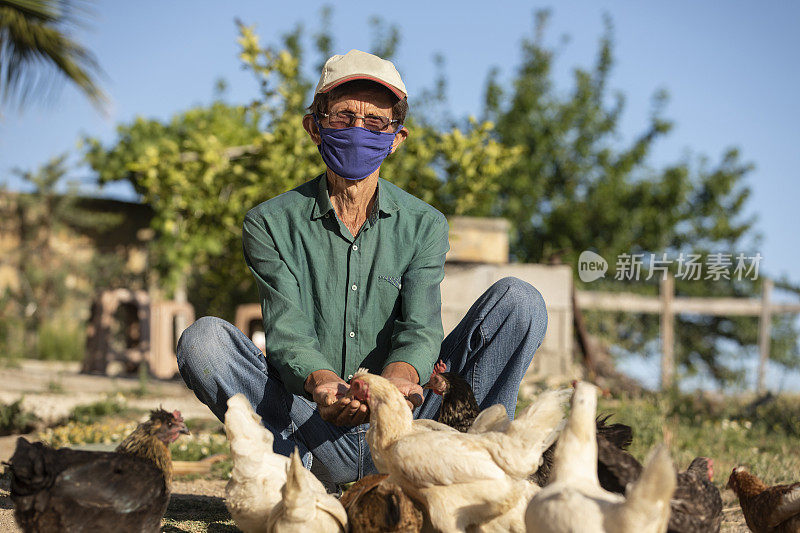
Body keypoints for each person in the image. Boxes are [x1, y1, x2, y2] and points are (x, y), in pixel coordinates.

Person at [176, 49, 549, 490]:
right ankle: (289, 476)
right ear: (314, 127)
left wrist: (398, 383)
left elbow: (420, 325)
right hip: (309, 428)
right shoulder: (270, 223)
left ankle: (480, 466)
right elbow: (287, 328)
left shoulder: (423, 224)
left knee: (520, 302)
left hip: (410, 433)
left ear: (396, 139)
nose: (358, 130)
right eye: (342, 116)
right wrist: (324, 385)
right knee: (203, 342)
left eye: (375, 123)